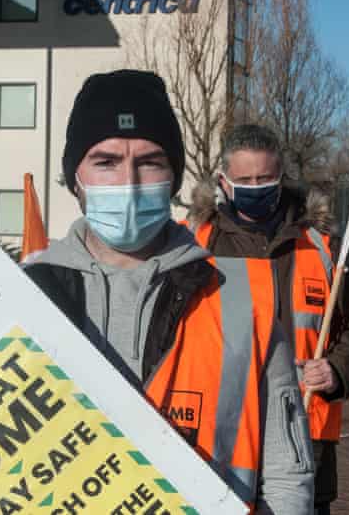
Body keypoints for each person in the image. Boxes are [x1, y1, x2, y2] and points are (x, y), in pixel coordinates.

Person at [24, 70, 314, 514]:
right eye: (106, 162)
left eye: (150, 162)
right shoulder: (24, 293)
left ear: (174, 176)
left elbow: (287, 474)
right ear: (75, 177)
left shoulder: (243, 298)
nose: (129, 181)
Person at [187, 124, 349, 515]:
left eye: (265, 178)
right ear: (223, 182)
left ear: (281, 177)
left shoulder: (322, 246)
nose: (255, 187)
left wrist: (338, 370)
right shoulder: (194, 244)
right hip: (215, 441)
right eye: (244, 180)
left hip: (305, 442)